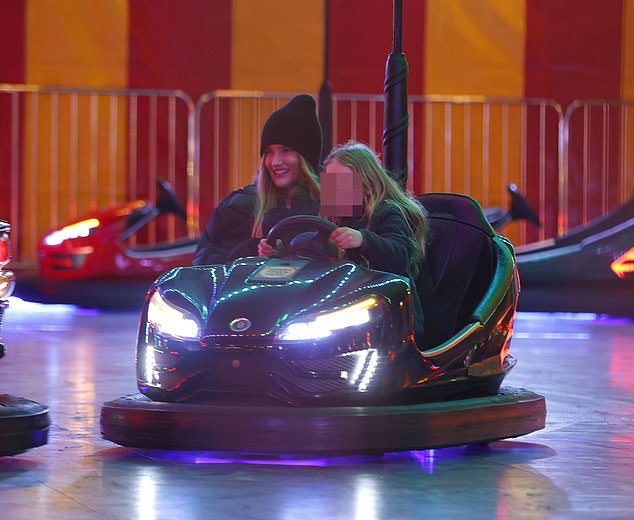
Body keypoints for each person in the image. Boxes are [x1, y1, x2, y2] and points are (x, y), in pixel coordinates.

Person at [193, 94, 322, 265]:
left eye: (286, 150)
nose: (275, 162)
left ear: (307, 158)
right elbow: (206, 264)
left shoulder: (337, 191)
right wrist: (253, 252)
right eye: (268, 152)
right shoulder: (239, 204)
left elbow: (359, 256)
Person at [321, 140, 428, 335]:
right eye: (330, 181)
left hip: (393, 314)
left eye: (341, 181)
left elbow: (399, 254)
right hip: (352, 308)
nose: (333, 190)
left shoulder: (388, 212)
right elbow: (314, 246)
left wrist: (363, 240)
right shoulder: (337, 217)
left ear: (366, 182)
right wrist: (282, 249)